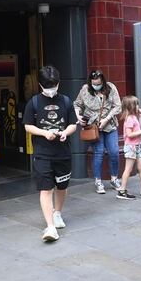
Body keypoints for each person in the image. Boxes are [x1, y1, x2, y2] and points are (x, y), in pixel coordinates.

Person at [23, 65, 77, 243]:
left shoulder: (67, 101)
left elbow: (73, 124)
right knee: (46, 189)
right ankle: (50, 227)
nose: (51, 89)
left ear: (59, 84)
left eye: (53, 85)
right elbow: (28, 126)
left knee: (62, 186)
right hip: (42, 152)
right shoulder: (34, 102)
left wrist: (65, 133)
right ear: (40, 85)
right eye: (47, 86)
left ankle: (57, 213)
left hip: (62, 152)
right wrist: (44, 133)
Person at [73, 70, 122, 194]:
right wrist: (78, 116)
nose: (96, 85)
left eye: (98, 83)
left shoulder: (111, 88)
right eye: (94, 83)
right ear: (90, 82)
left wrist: (106, 119)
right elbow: (77, 104)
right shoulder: (85, 90)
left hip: (109, 124)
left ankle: (114, 178)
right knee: (98, 153)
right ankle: (98, 181)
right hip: (93, 126)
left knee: (114, 152)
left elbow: (117, 106)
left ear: (103, 82)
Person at [116, 95, 141, 201]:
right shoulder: (129, 119)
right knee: (128, 169)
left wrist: (140, 117)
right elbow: (129, 134)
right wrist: (140, 132)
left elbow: (138, 127)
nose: (138, 106)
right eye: (136, 104)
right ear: (130, 107)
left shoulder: (133, 118)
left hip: (136, 147)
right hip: (131, 147)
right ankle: (122, 191)